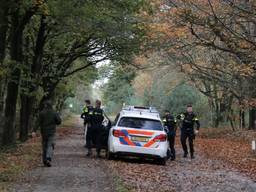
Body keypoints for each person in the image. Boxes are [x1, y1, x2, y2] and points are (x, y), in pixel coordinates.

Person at [32, 100, 61, 167]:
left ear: (45, 105)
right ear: (51, 105)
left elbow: (38, 122)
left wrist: (34, 131)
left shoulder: (42, 113)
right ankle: (48, 158)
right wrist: (55, 122)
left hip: (44, 132)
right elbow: (59, 121)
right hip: (51, 132)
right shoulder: (54, 113)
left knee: (44, 146)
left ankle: (45, 161)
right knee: (50, 145)